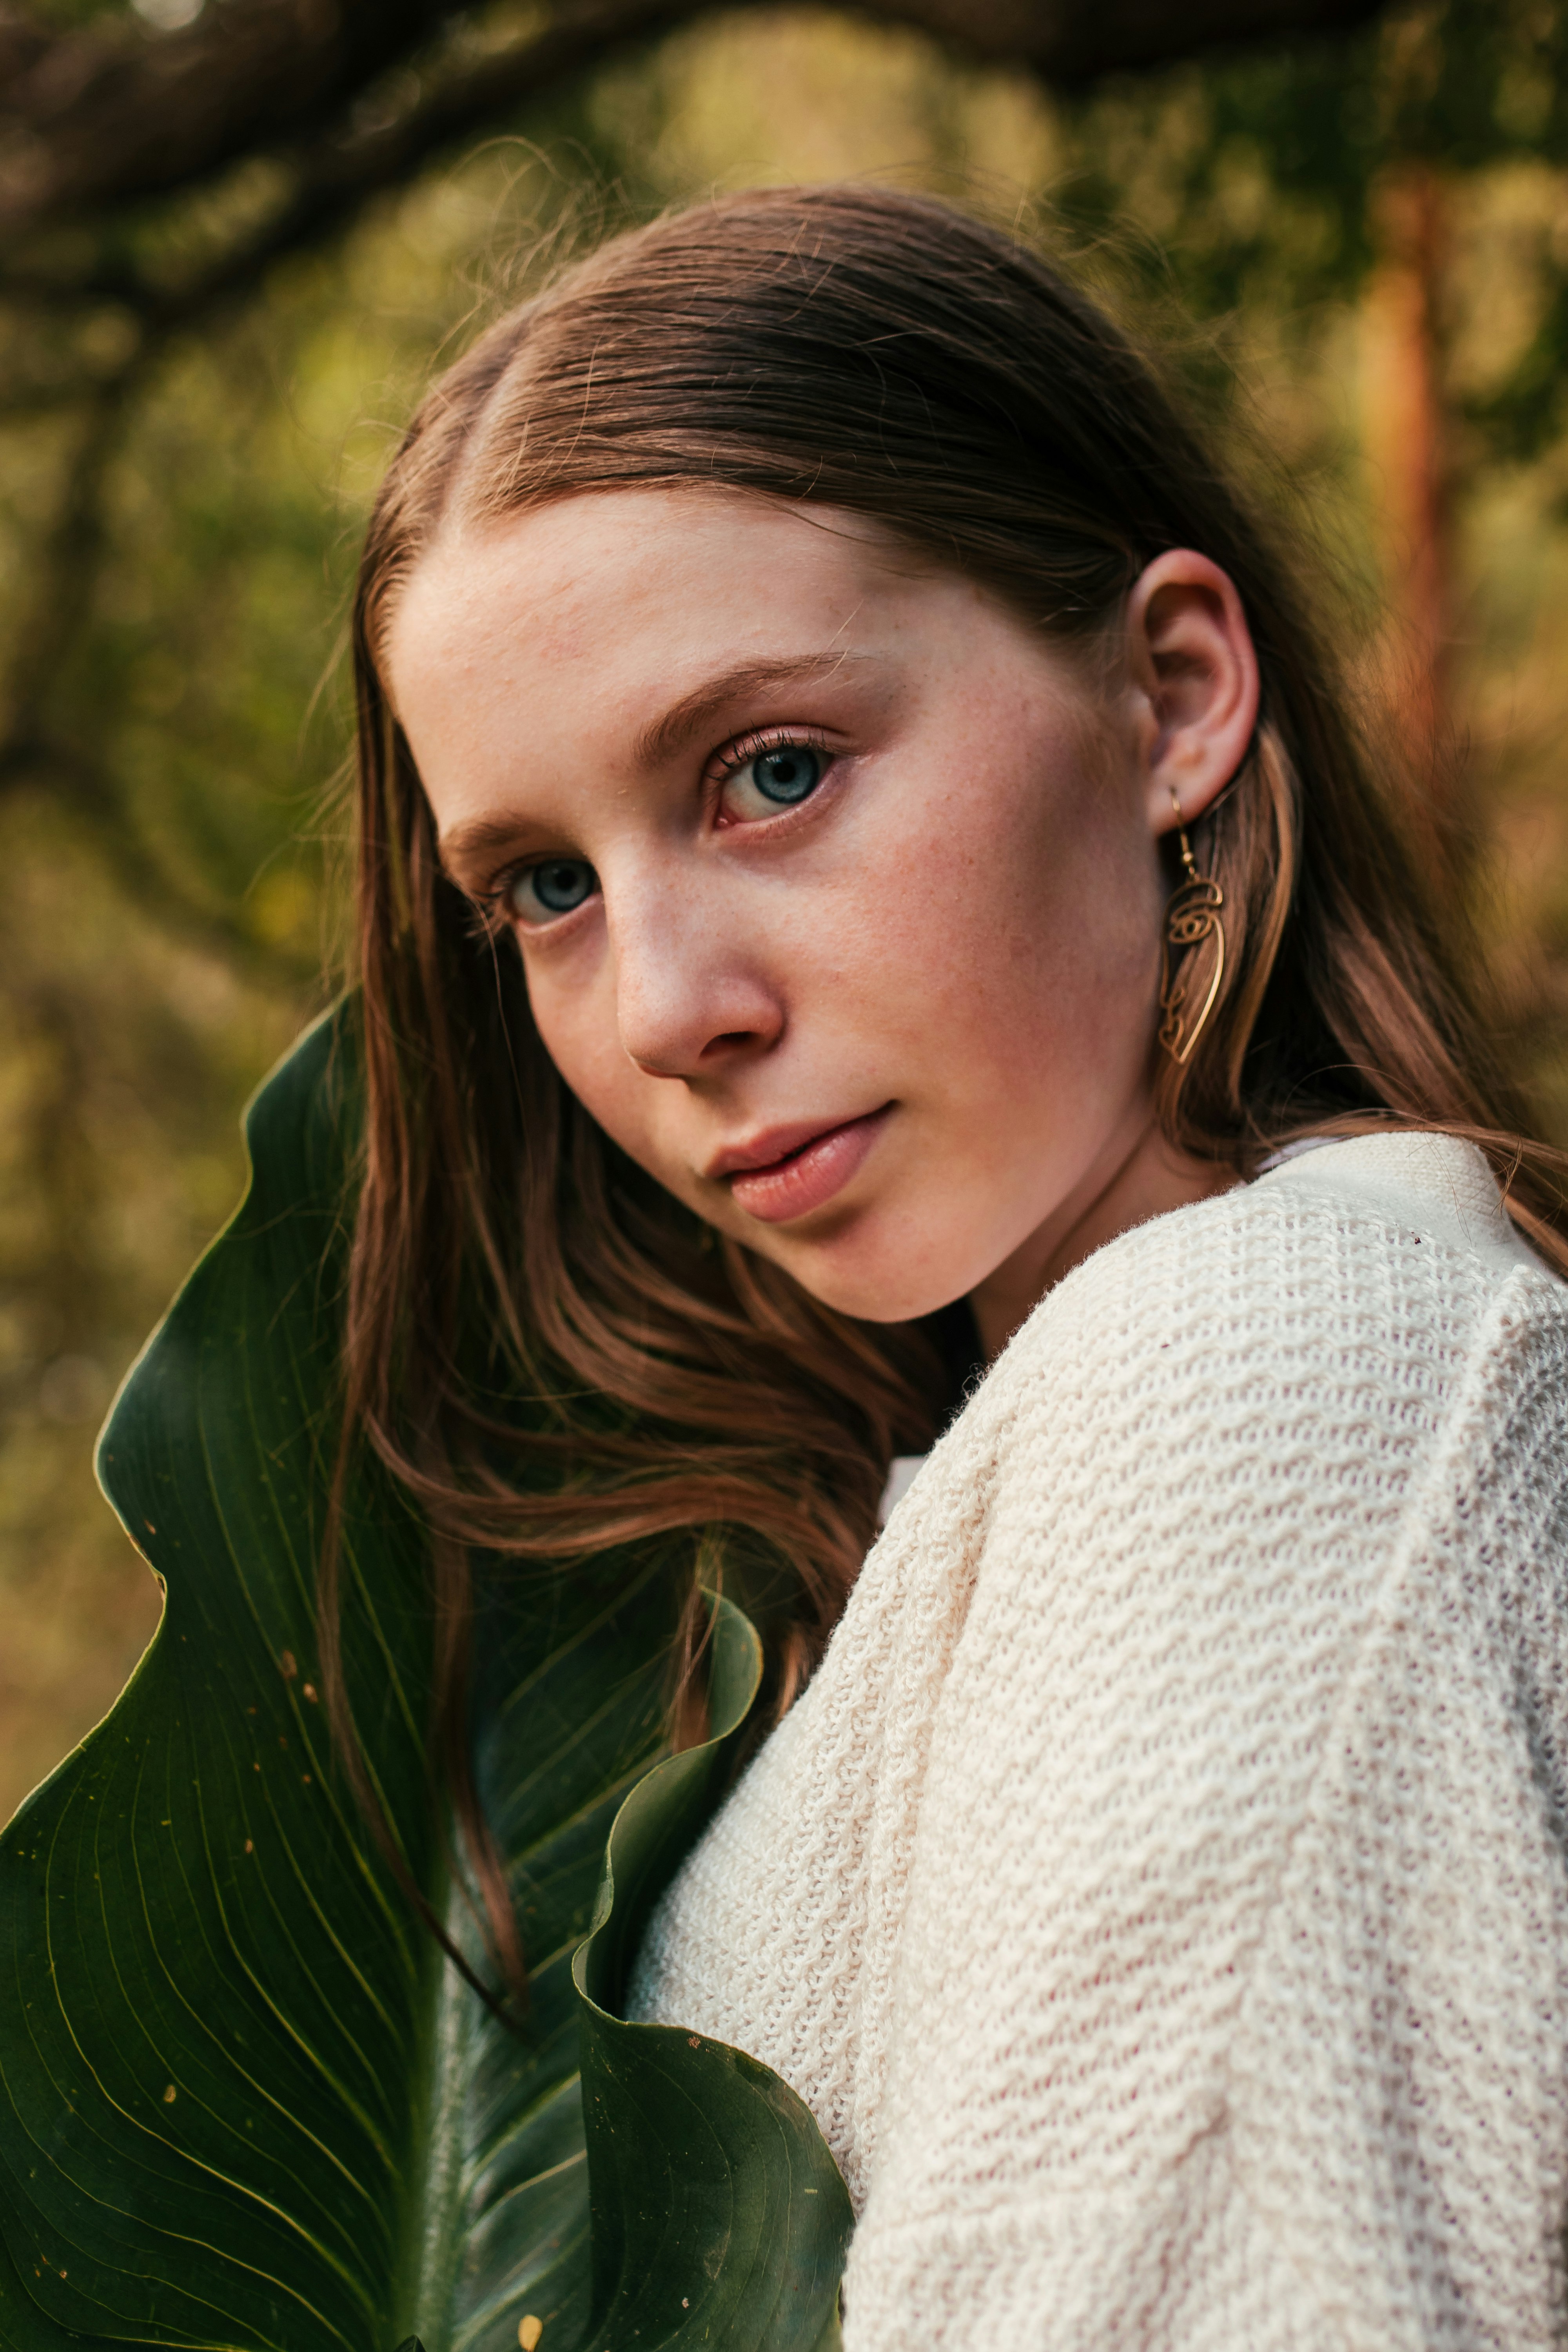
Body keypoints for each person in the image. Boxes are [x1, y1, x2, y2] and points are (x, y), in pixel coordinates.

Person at [342, 183, 1568, 2346]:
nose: (659, 1009)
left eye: (771, 773)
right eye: (541, 885)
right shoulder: (980, 1474)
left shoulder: (1261, 1373)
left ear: (1173, 696)